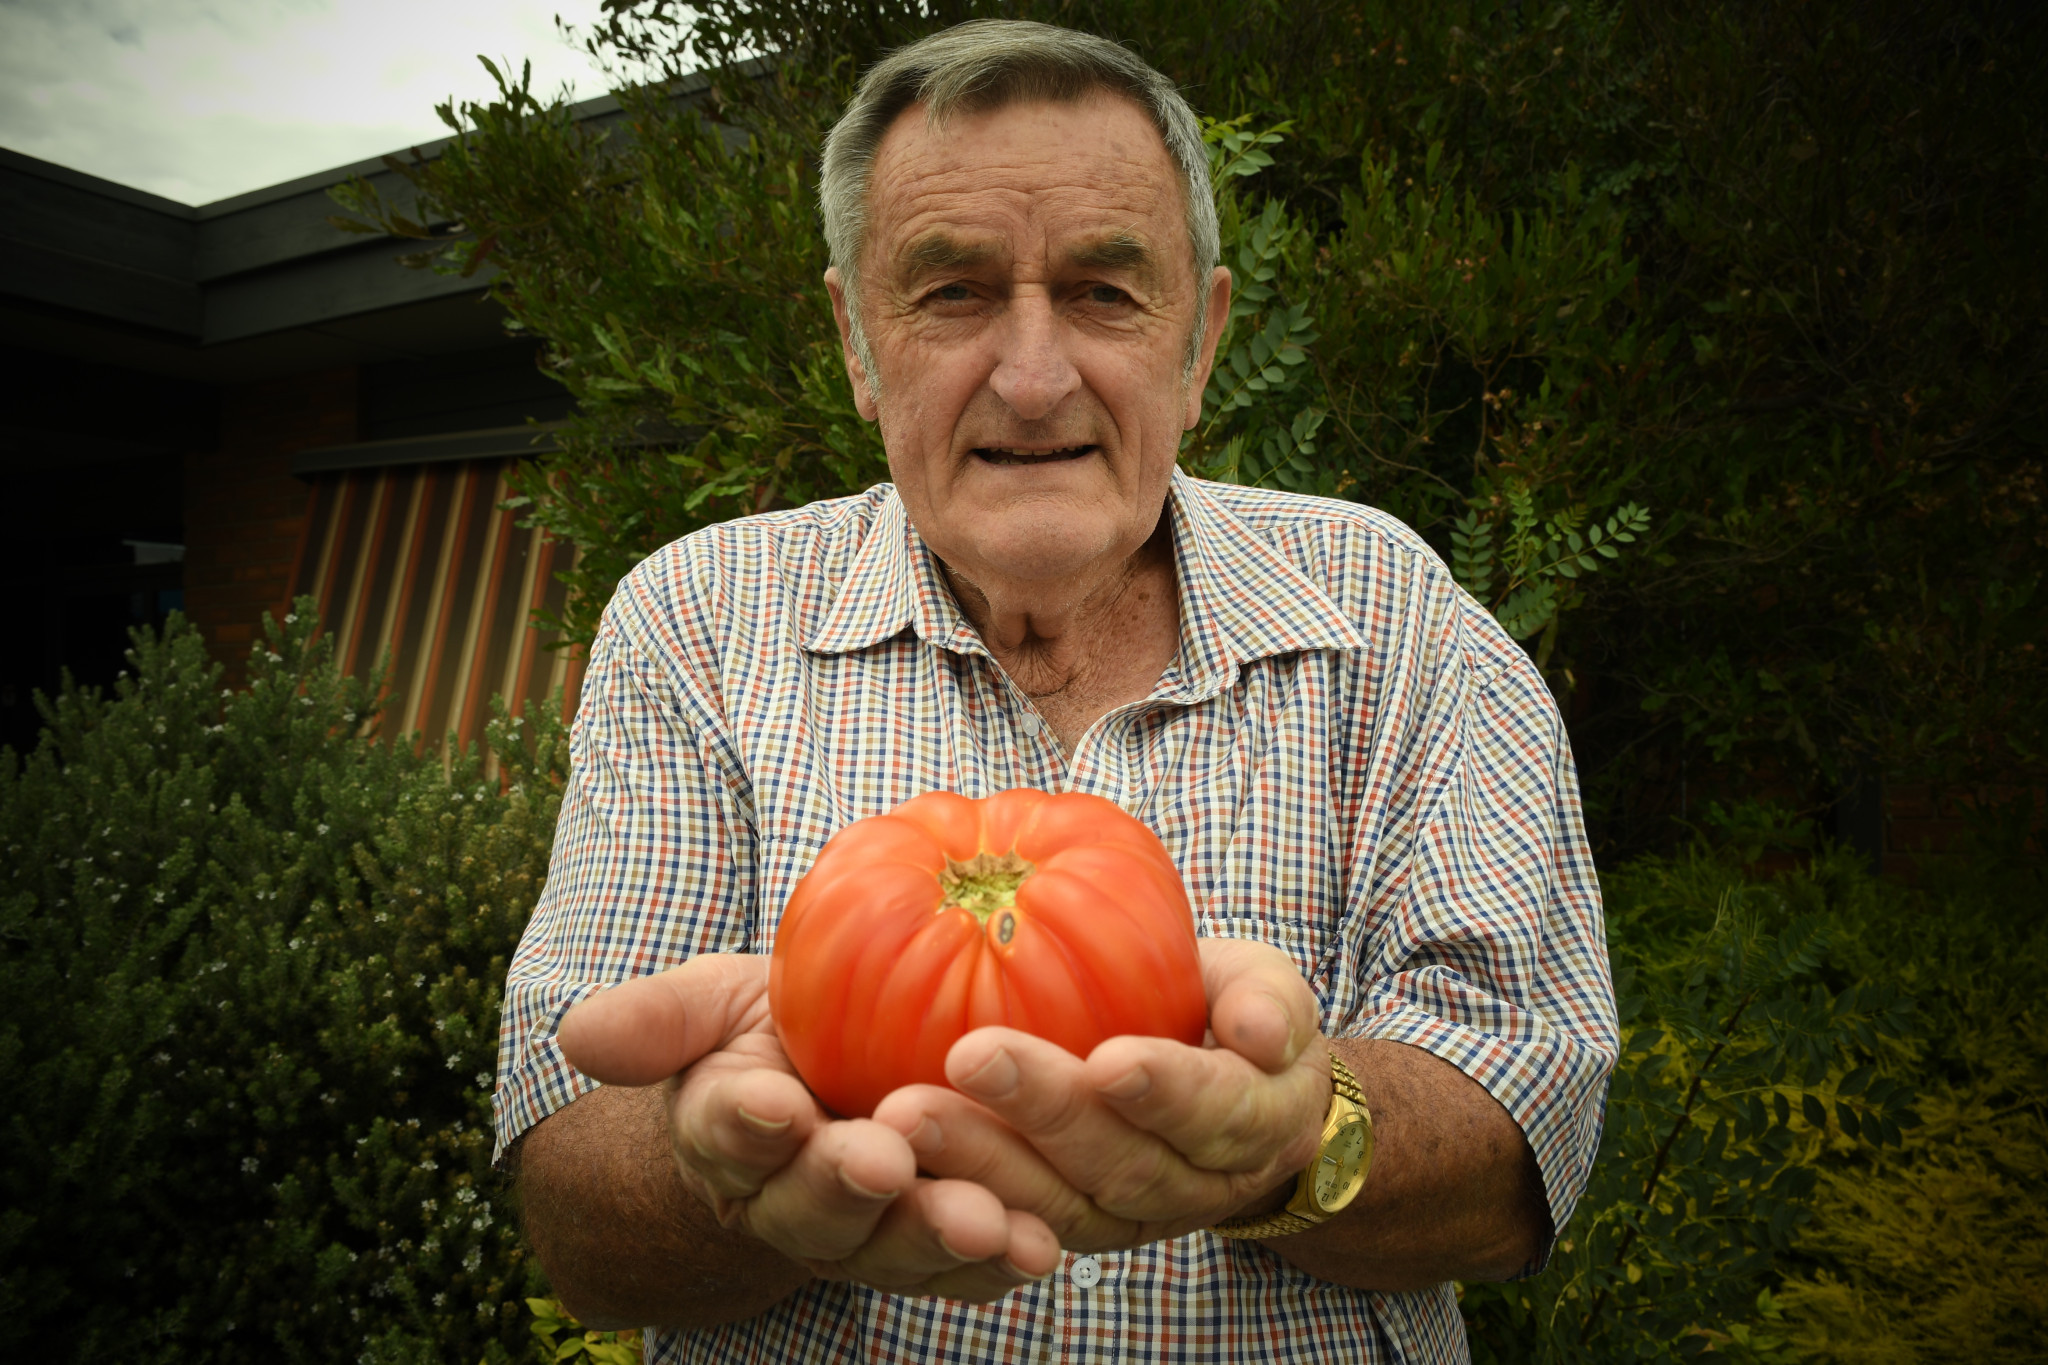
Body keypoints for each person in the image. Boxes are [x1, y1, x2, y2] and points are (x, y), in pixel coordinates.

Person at [493, 19, 1617, 1364]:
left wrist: (1290, 1136)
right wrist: (736, 1167)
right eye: (953, 291)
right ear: (860, 340)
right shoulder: (695, 626)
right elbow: (569, 1194)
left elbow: (1524, 1143)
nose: (1033, 379)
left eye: (1102, 290)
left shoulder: (1398, 618)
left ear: (1199, 340)